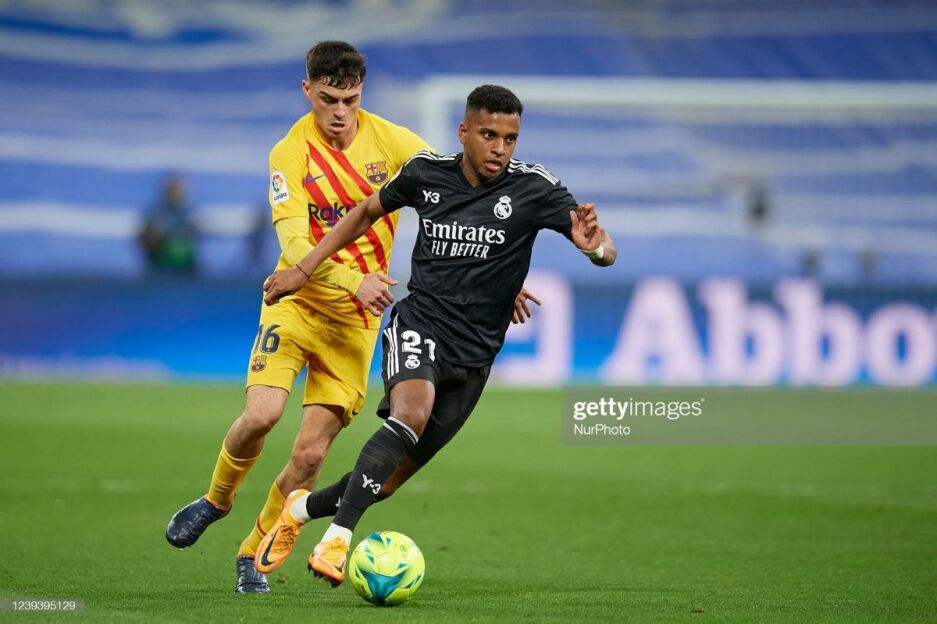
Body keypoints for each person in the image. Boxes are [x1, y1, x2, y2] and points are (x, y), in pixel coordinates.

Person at [164, 41, 539, 595]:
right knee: (262, 415)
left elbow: (456, 195)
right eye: (328, 99)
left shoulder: (393, 142)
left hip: (357, 324)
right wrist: (350, 280)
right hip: (297, 303)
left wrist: (494, 273)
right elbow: (295, 245)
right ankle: (216, 500)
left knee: (311, 455)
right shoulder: (289, 154)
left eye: (351, 100)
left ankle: (252, 553)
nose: (340, 112)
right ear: (307, 91)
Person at [257, 84, 617, 586]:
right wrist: (304, 267)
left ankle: (298, 509)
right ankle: (336, 540)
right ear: (463, 132)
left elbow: (603, 250)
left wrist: (595, 249)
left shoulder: (534, 188)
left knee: (386, 482)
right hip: (420, 323)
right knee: (410, 413)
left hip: (475, 354)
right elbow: (365, 211)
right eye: (488, 135)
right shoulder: (426, 173)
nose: (499, 148)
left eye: (510, 139)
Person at [138, 174, 198, 274]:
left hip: (186, 269)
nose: (177, 193)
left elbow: (195, 234)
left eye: (179, 190)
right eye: (173, 190)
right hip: (160, 268)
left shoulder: (189, 213)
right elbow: (143, 240)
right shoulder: (155, 213)